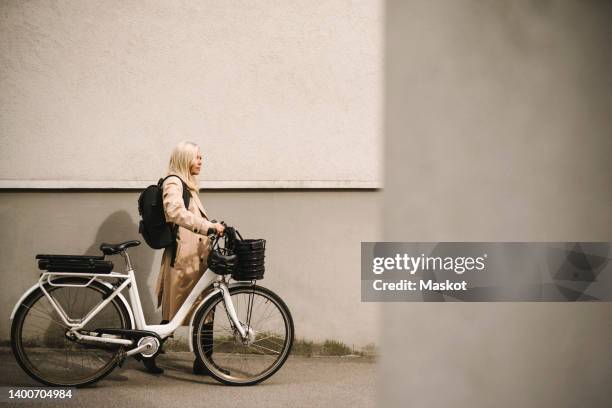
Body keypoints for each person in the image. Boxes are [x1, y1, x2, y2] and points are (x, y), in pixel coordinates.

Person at [142, 140, 225, 374]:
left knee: (205, 309)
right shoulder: (174, 182)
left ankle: (203, 362)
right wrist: (207, 227)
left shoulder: (188, 186)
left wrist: (213, 226)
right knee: (176, 312)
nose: (201, 161)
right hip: (183, 260)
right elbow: (175, 211)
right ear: (185, 159)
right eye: (197, 157)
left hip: (196, 259)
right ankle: (148, 350)